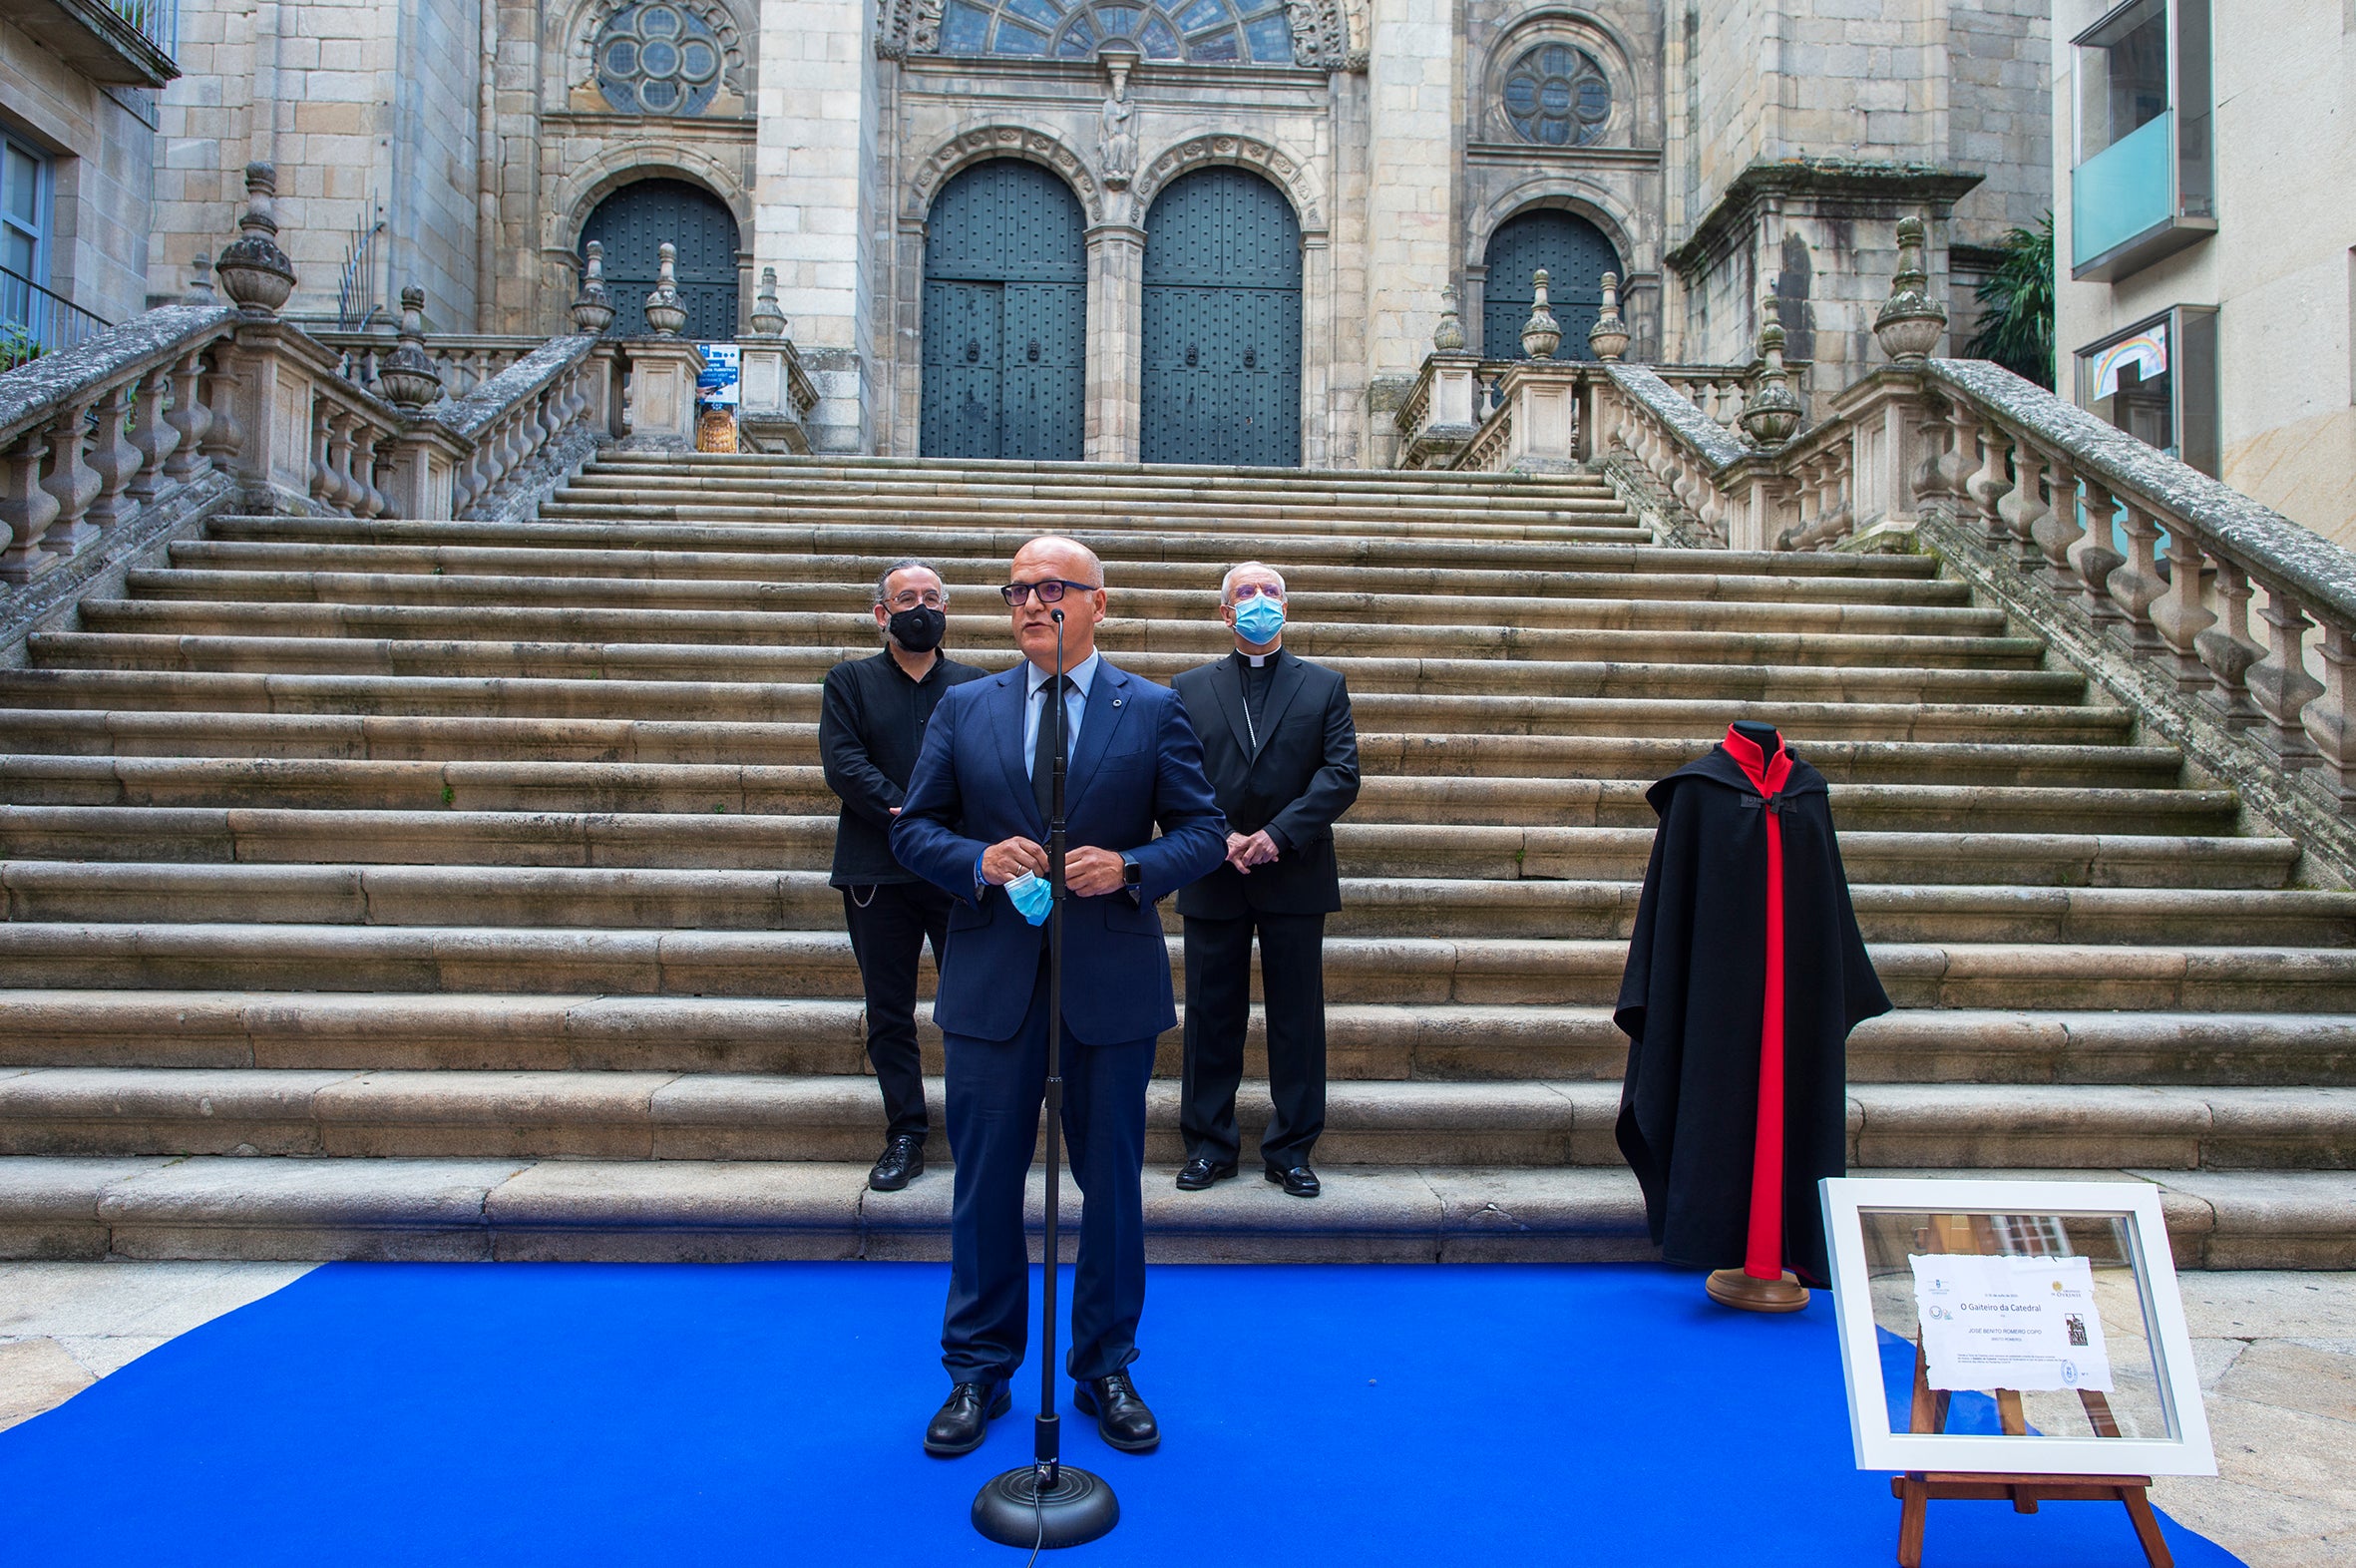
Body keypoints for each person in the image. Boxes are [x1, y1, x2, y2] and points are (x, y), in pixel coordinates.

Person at [891, 536, 1227, 1460]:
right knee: (984, 1183)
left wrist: (1132, 867)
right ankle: (977, 1371)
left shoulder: (1152, 709)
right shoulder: (965, 708)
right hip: (993, 982)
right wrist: (975, 860)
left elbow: (1204, 833)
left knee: (1111, 1187)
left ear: (1097, 604)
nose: (1032, 605)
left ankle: (1106, 1365)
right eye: (1017, 591)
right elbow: (914, 830)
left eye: (1053, 590)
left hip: (1109, 987)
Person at [1170, 563, 1361, 1199]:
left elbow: (1340, 775)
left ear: (1287, 605)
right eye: (1245, 594)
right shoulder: (1188, 687)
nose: (1259, 601)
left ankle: (1292, 1150)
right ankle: (1208, 1145)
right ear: (1226, 613)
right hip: (1213, 869)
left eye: (1271, 592)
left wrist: (1277, 834)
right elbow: (1176, 773)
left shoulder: (1325, 685)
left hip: (1294, 872)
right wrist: (1215, 834)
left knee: (1296, 1019)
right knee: (1209, 1014)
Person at [819, 560, 986, 1192]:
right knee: (888, 1010)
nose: (921, 607)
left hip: (956, 869)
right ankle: (906, 1133)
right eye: (906, 597)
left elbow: (993, 764)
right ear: (881, 613)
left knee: (971, 1005)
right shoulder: (849, 682)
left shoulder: (976, 686)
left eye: (932, 597)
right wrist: (910, 810)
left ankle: (978, 1126)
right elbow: (843, 762)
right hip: (876, 871)